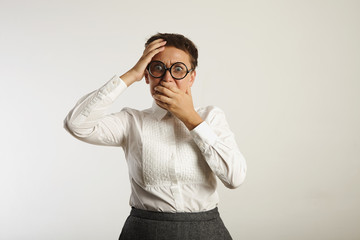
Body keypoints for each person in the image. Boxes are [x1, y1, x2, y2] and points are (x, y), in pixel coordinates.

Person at [64, 33, 247, 240]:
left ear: (192, 77)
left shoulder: (211, 117)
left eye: (178, 69)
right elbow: (76, 124)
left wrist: (191, 119)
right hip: (144, 233)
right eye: (158, 68)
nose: (167, 78)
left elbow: (235, 178)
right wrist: (132, 74)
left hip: (206, 231)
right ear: (147, 75)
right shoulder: (132, 121)